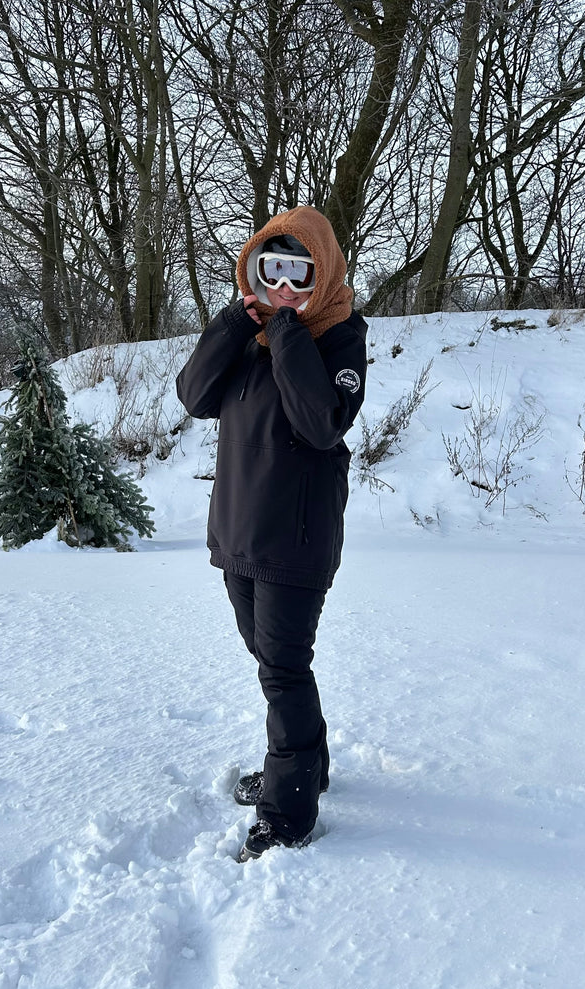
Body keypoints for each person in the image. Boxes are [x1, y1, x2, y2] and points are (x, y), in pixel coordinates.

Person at [175, 206, 368, 861]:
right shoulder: (247, 333)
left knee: (285, 669)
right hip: (238, 528)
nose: (284, 286)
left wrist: (285, 329)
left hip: (297, 535)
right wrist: (237, 322)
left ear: (323, 273)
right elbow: (195, 396)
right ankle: (303, 766)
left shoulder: (339, 336)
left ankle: (288, 810)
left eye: (299, 273)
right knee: (270, 662)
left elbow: (321, 423)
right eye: (271, 270)